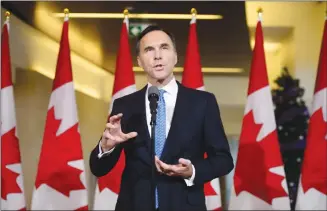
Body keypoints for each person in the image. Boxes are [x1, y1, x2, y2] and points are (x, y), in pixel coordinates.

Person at [89, 25, 234, 211]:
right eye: (149, 50)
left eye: (164, 48)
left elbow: (223, 160)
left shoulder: (202, 102)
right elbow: (98, 168)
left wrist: (192, 171)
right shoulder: (124, 106)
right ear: (140, 61)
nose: (157, 56)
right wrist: (106, 147)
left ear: (175, 57)